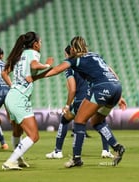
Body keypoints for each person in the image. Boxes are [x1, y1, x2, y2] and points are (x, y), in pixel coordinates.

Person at [35, 36, 126, 168]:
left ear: (72, 48)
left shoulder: (74, 60)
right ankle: (117, 147)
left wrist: (35, 77)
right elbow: (111, 71)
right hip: (116, 87)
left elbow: (56, 70)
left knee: (79, 121)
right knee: (97, 121)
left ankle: (76, 158)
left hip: (101, 88)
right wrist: (120, 96)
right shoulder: (96, 56)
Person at [45, 45, 114, 159]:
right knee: (101, 121)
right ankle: (106, 150)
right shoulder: (89, 61)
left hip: (81, 99)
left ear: (68, 54)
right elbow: (108, 69)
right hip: (95, 96)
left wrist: (67, 105)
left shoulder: (70, 65)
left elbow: (72, 89)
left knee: (65, 119)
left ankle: (58, 151)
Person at [1, 31, 53, 170]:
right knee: (34, 135)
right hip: (19, 98)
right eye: (40, 42)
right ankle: (10, 161)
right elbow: (35, 65)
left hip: (13, 95)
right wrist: (47, 65)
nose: (41, 45)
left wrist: (13, 86)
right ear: (35, 44)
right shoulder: (32, 53)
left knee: (17, 132)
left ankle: (17, 159)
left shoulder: (19, 55)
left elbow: (4, 72)